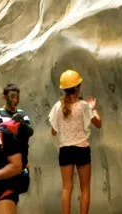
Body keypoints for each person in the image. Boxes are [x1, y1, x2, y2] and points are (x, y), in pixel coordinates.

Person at [49, 70, 102, 214]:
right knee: (85, 188)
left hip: (65, 150)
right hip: (82, 149)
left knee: (67, 188)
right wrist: (93, 107)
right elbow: (98, 123)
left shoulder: (57, 107)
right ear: (78, 87)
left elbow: (53, 131)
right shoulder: (84, 105)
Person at [0, 83, 34, 167]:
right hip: (4, 161)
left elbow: (30, 132)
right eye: (12, 97)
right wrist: (13, 123)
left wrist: (22, 124)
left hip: (22, 159)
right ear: (4, 97)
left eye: (17, 97)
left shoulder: (22, 113)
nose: (15, 100)